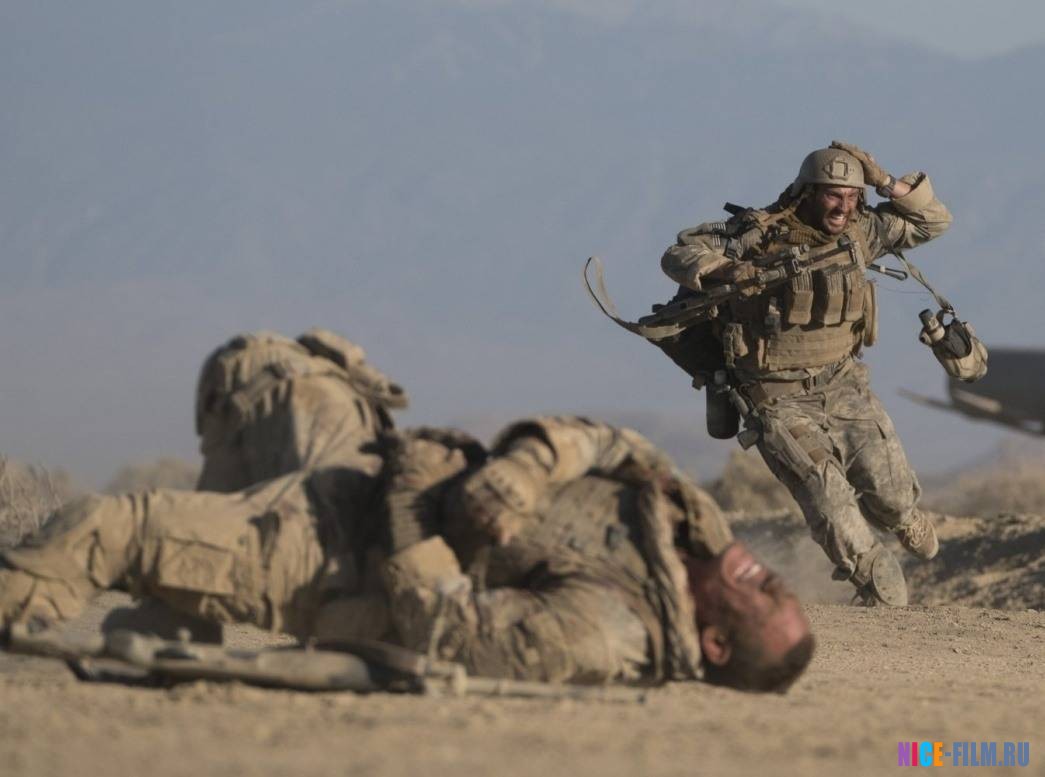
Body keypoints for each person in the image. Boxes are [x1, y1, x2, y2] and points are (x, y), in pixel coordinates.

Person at [0, 333, 813, 692]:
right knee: (266, 363)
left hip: (334, 552)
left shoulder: (601, 631)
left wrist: (406, 503)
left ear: (713, 641)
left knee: (108, 525)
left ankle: (45, 609)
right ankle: (177, 606)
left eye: (765, 596)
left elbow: (439, 625)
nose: (769, 577)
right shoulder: (696, 529)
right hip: (376, 472)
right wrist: (526, 466)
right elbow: (612, 441)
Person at [659, 141, 952, 606]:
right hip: (777, 400)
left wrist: (882, 181)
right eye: (833, 195)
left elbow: (933, 221)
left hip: (845, 385)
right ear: (808, 192)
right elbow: (679, 254)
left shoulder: (861, 232)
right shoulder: (758, 234)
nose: (843, 207)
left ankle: (902, 517)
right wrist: (730, 271)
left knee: (893, 496)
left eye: (852, 196)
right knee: (829, 497)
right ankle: (873, 581)